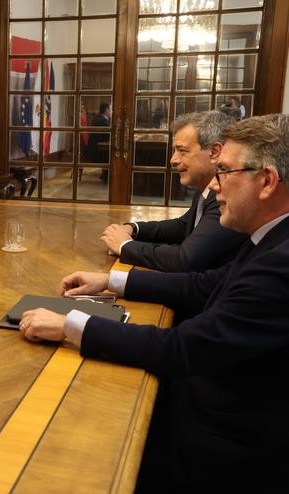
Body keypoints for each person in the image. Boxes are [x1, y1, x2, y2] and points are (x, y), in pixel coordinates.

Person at [19, 114, 289, 491]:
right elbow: (202, 285)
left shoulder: (279, 263)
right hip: (223, 402)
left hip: (230, 440)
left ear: (266, 181)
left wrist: (70, 325)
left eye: (224, 171)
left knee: (85, 431)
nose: (214, 184)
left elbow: (182, 348)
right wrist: (110, 280)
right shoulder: (272, 237)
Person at [101, 111, 247, 272]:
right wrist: (134, 229)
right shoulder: (206, 188)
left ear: (214, 152)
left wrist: (125, 246)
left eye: (182, 151)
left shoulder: (227, 196)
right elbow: (182, 226)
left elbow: (184, 260)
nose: (173, 160)